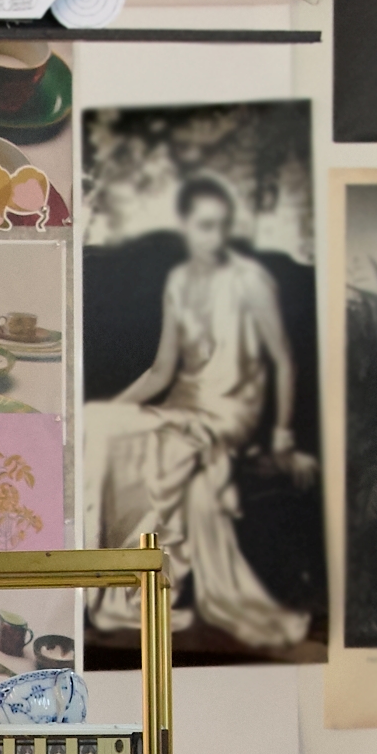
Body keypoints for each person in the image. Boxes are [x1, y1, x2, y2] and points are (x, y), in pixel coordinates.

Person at [93, 174, 305, 651]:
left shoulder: (251, 281)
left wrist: (283, 434)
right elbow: (160, 370)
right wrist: (104, 411)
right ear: (187, 227)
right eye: (204, 226)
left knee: (166, 446)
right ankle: (121, 590)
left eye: (221, 226)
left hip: (230, 410)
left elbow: (283, 360)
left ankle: (151, 590)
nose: (214, 236)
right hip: (182, 402)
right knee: (104, 429)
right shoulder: (180, 281)